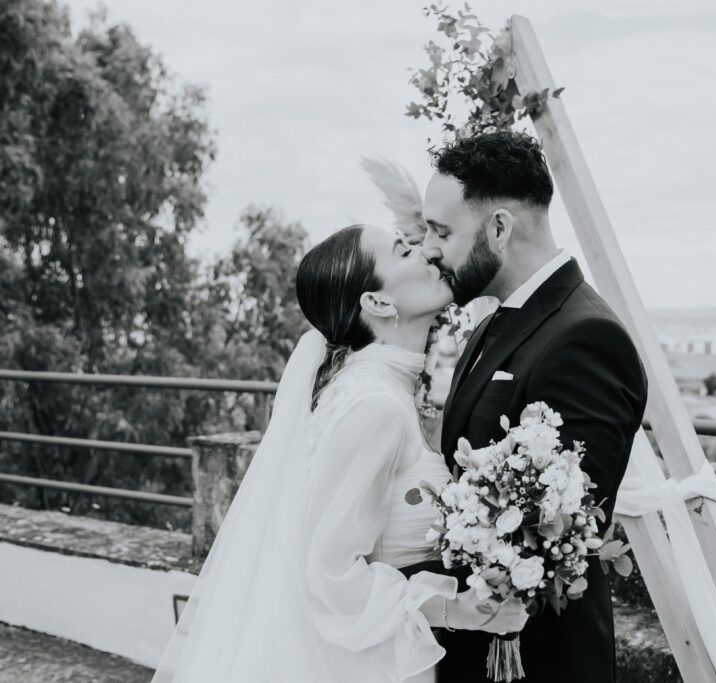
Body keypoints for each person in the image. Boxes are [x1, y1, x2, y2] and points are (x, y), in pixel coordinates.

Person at [152, 225, 527, 683]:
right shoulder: (375, 405)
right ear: (378, 303)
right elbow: (327, 573)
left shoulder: (374, 386)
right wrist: (454, 608)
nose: (427, 252)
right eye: (404, 251)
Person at [420, 131, 649, 683]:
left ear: (499, 228)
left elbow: (564, 526)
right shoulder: (495, 321)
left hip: (538, 659)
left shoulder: (586, 338)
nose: (429, 248)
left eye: (442, 232)